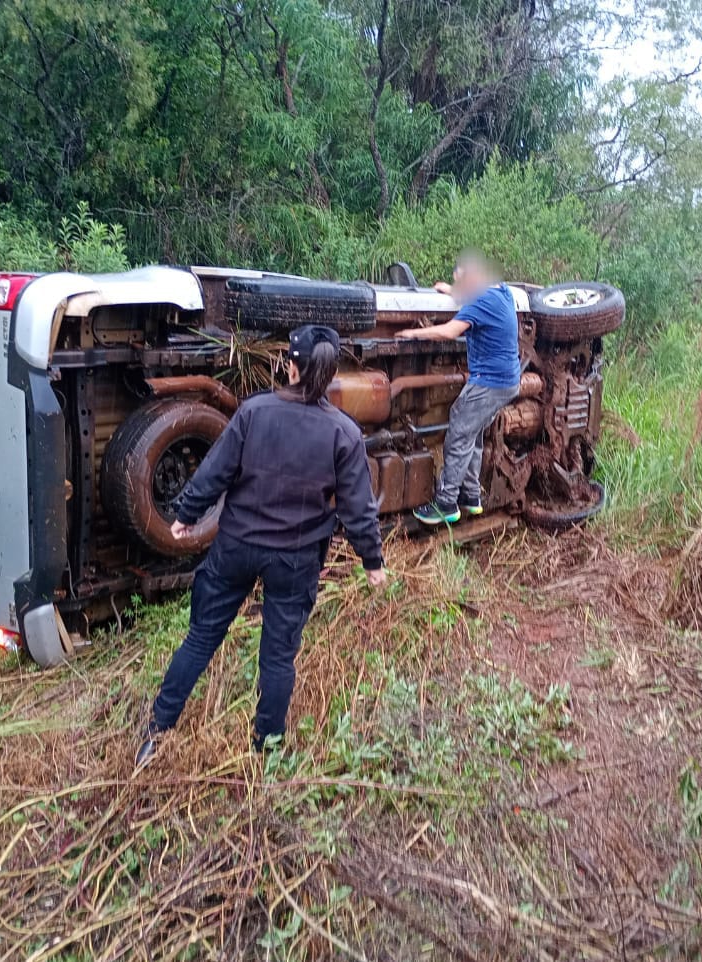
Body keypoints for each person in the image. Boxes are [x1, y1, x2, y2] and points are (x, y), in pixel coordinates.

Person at [136, 324, 388, 767]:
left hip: (236, 547)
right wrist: (372, 561)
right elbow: (357, 507)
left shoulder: (254, 412)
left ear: (291, 366)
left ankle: (155, 732)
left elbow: (216, 469)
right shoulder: (343, 432)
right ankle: (265, 753)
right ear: (327, 374)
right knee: (277, 658)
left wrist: (186, 515)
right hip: (294, 559)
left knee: (200, 639)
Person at [396, 251, 521, 524]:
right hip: (508, 381)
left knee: (458, 434)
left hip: (489, 381)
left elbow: (449, 331)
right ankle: (471, 496)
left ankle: (446, 504)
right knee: (473, 434)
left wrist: (413, 333)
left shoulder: (480, 301)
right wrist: (450, 290)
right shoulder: (501, 292)